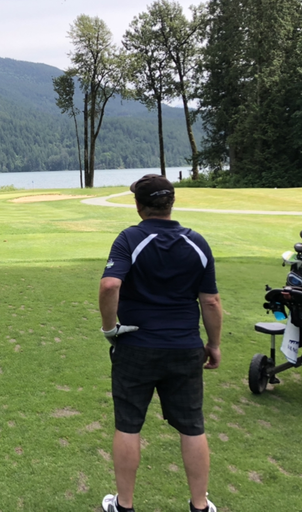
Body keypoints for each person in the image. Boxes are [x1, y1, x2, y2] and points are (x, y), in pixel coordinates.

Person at [98, 174, 223, 512]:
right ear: (171, 203)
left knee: (128, 424)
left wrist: (110, 329)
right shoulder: (197, 242)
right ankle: (200, 505)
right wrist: (214, 344)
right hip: (185, 348)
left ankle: (124, 505)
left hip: (135, 346)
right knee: (192, 427)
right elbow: (211, 301)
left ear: (139, 206)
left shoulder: (130, 238)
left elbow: (110, 285)